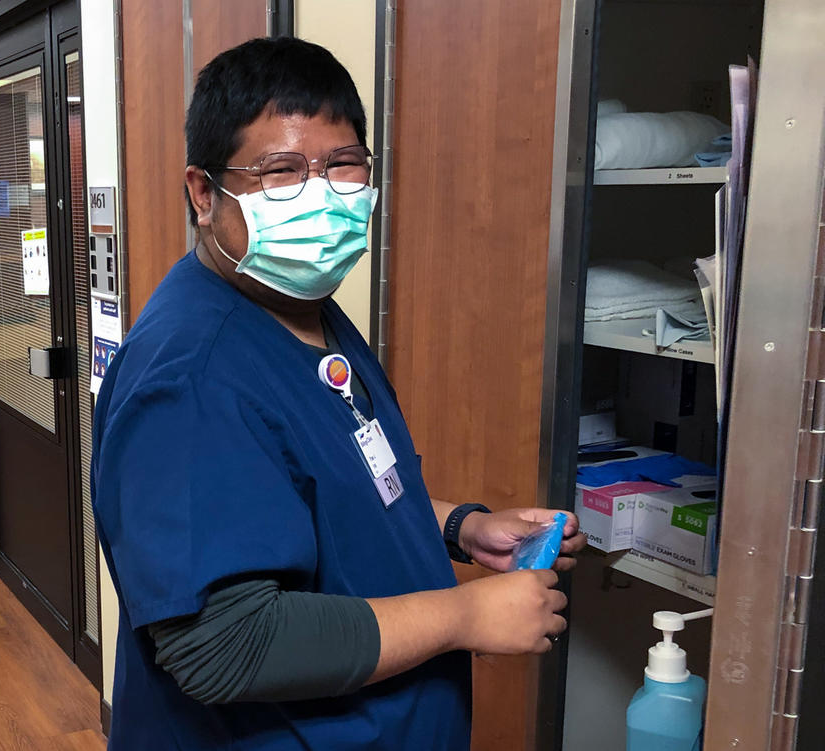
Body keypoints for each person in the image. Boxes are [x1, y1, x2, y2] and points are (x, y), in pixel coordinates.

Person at [91, 36, 586, 750]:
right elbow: (225, 644)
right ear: (204, 193)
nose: (320, 196)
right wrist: (464, 615)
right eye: (282, 171)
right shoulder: (190, 378)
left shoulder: (301, 307)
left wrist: (459, 528)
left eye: (342, 166)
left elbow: (320, 481)